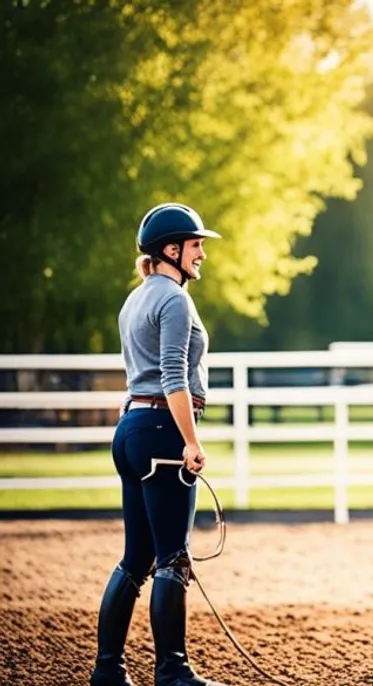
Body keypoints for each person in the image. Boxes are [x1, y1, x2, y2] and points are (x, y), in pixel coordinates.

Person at [90, 202, 224, 686]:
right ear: (171, 249)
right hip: (162, 430)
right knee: (172, 556)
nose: (202, 254)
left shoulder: (135, 298)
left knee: (136, 558)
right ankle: (172, 670)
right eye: (195, 245)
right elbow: (173, 375)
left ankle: (108, 670)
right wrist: (191, 440)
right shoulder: (174, 299)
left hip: (131, 428)